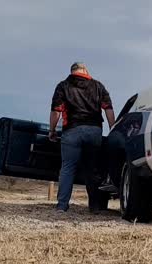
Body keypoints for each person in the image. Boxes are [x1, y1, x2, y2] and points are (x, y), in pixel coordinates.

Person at [49, 62, 115, 213]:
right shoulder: (98, 86)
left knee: (67, 168)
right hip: (94, 130)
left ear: (72, 71)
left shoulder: (63, 86)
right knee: (92, 169)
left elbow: (56, 111)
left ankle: (62, 206)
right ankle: (95, 206)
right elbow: (108, 109)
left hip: (71, 130)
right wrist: (113, 129)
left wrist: (52, 130)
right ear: (85, 71)